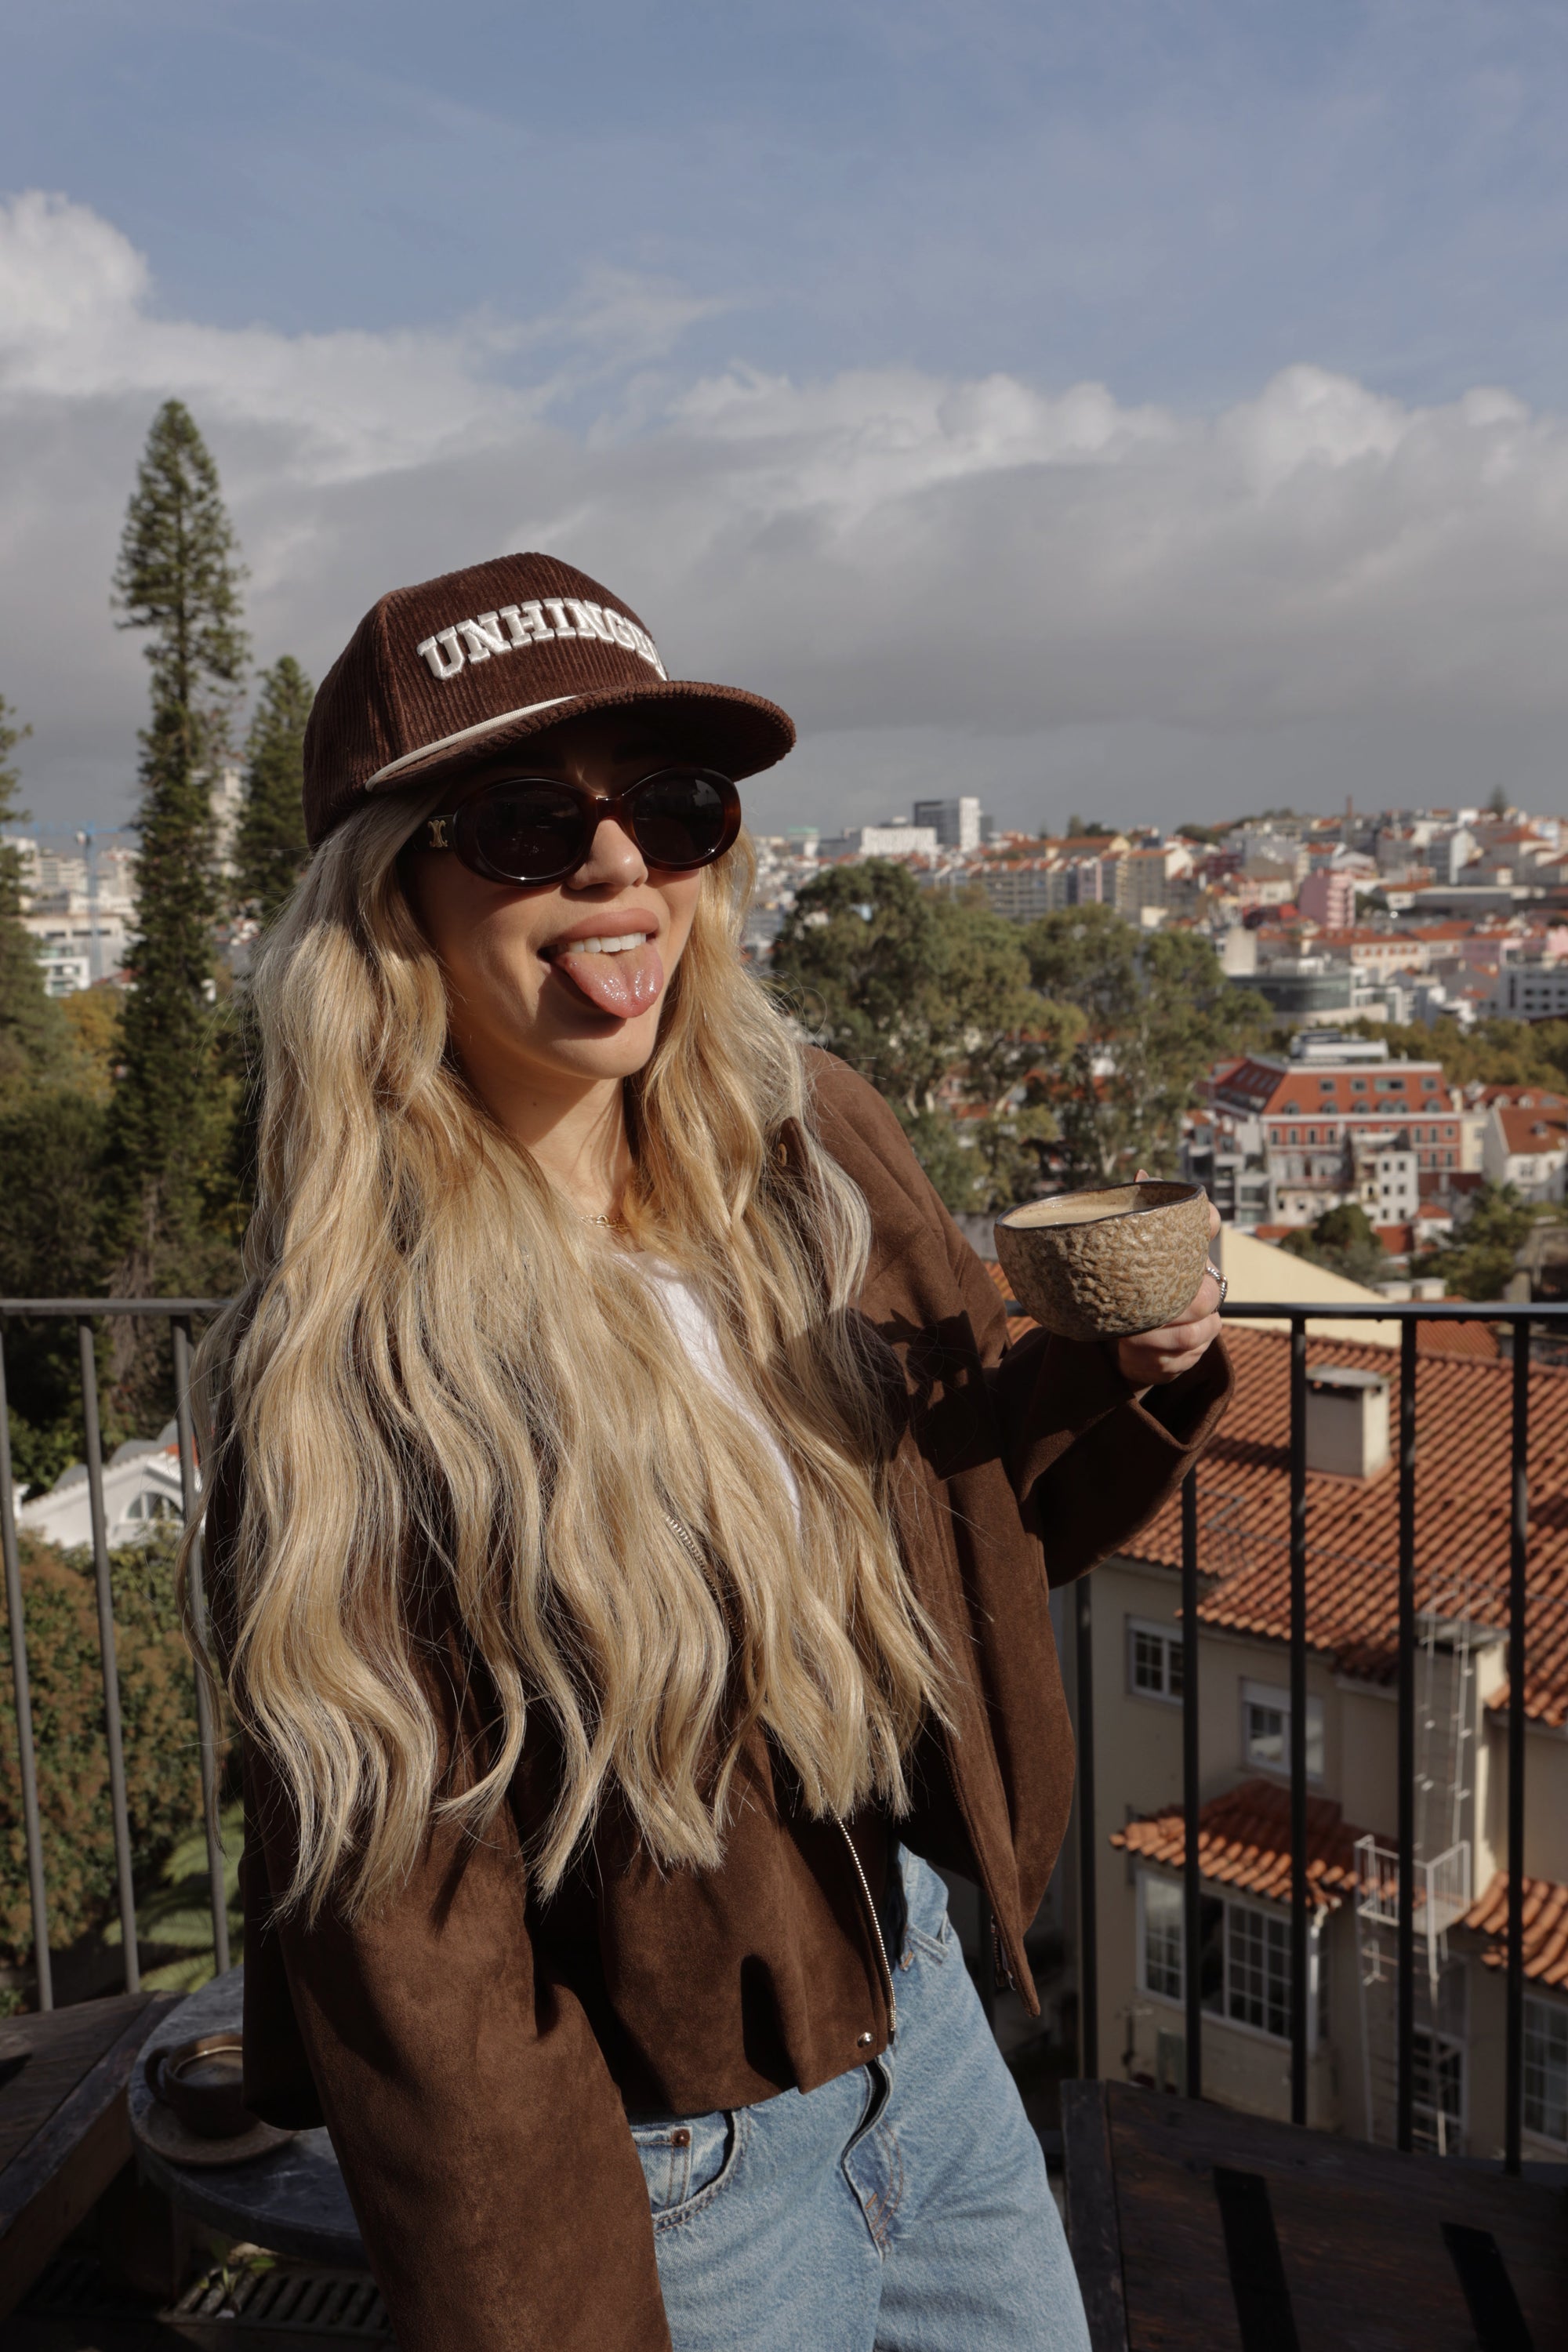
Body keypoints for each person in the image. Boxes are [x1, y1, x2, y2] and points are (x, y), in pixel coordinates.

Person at [192, 552, 1229, 2352]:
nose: (619, 872)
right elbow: (416, 1975)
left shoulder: (807, 1148)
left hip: (931, 2040)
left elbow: (966, 1534)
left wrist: (1117, 1375)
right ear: (389, 904)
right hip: (670, 2171)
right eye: (523, 826)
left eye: (671, 811)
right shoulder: (355, 1369)